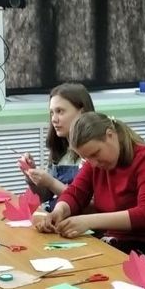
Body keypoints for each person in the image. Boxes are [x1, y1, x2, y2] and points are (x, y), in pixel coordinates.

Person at [33, 112, 145, 264]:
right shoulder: (95, 163)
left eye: (95, 153)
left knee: (90, 264)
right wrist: (59, 211)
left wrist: (88, 222)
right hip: (119, 241)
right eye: (87, 158)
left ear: (110, 135)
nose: (93, 163)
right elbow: (75, 193)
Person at [17, 82, 95, 210]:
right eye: (52, 113)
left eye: (60, 111)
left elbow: (91, 206)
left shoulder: (94, 154)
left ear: (82, 112)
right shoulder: (61, 150)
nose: (54, 119)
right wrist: (31, 175)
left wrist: (51, 182)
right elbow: (45, 197)